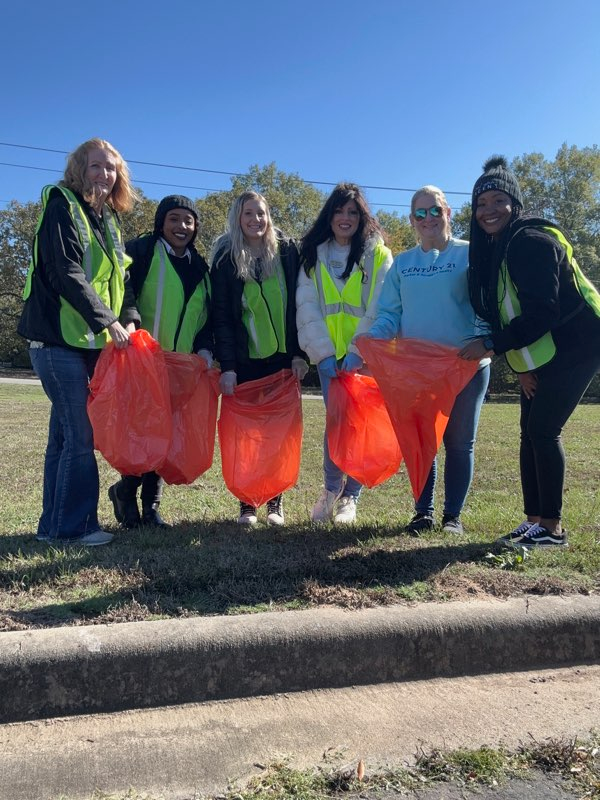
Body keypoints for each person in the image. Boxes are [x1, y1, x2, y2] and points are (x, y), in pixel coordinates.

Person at [461, 156, 600, 547]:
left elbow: (542, 312)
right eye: (481, 203)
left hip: (580, 343)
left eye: (498, 200)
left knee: (543, 429)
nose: (488, 210)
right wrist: (521, 366)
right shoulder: (499, 247)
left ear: (515, 204)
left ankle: (552, 529)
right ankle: (534, 521)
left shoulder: (529, 241)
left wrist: (491, 345)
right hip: (545, 347)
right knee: (529, 432)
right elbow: (510, 312)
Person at [17, 138, 139, 546]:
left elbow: (121, 276)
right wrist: (108, 321)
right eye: (95, 166)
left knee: (64, 437)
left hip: (85, 342)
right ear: (79, 169)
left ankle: (52, 528)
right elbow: (64, 270)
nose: (104, 174)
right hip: (55, 341)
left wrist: (129, 317)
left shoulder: (108, 219)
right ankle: (75, 528)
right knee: (80, 435)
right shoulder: (62, 206)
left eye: (111, 168)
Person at [368, 186, 490, 535]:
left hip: (465, 366)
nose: (428, 218)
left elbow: (487, 304)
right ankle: (423, 513)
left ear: (448, 212)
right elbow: (389, 313)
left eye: (434, 210)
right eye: (420, 213)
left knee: (459, 443)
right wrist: (373, 339)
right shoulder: (403, 263)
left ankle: (453, 517)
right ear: (412, 220)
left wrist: (483, 342)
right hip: (417, 370)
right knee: (422, 442)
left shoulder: (471, 253)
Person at [108, 195, 213, 530]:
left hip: (180, 367)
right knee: (143, 432)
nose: (182, 226)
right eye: (174, 219)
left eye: (188, 221)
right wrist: (129, 321)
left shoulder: (201, 268)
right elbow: (121, 288)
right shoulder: (140, 251)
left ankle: (150, 506)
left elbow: (205, 317)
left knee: (164, 436)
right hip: (142, 361)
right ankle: (126, 494)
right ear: (161, 223)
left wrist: (205, 349)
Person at [211, 191, 308, 525]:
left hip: (283, 362)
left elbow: (299, 305)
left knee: (278, 434)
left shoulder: (288, 252)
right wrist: (228, 367)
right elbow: (222, 318)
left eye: (261, 213)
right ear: (238, 218)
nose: (256, 220)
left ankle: (275, 502)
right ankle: (247, 503)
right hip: (245, 363)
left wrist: (299, 354)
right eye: (248, 214)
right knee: (247, 436)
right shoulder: (225, 260)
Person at [297, 183, 392, 524]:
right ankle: (329, 490)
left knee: (359, 427)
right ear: (329, 215)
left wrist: (358, 351)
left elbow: (380, 307)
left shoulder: (378, 255)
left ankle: (350, 497)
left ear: (362, 217)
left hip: (363, 359)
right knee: (336, 426)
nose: (345, 218)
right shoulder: (312, 255)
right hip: (330, 362)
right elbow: (307, 306)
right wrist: (323, 354)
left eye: (353, 212)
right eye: (339, 211)